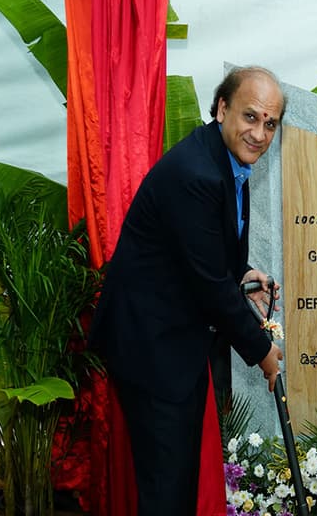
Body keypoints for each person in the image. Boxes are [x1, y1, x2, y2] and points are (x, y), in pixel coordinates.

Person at [90, 66, 286, 515]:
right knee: (167, 485)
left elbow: (208, 253)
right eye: (250, 117)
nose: (259, 133)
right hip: (150, 342)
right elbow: (209, 284)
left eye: (270, 123)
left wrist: (242, 275)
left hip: (174, 333)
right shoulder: (197, 173)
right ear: (222, 109)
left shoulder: (227, 162)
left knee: (176, 476)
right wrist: (262, 351)